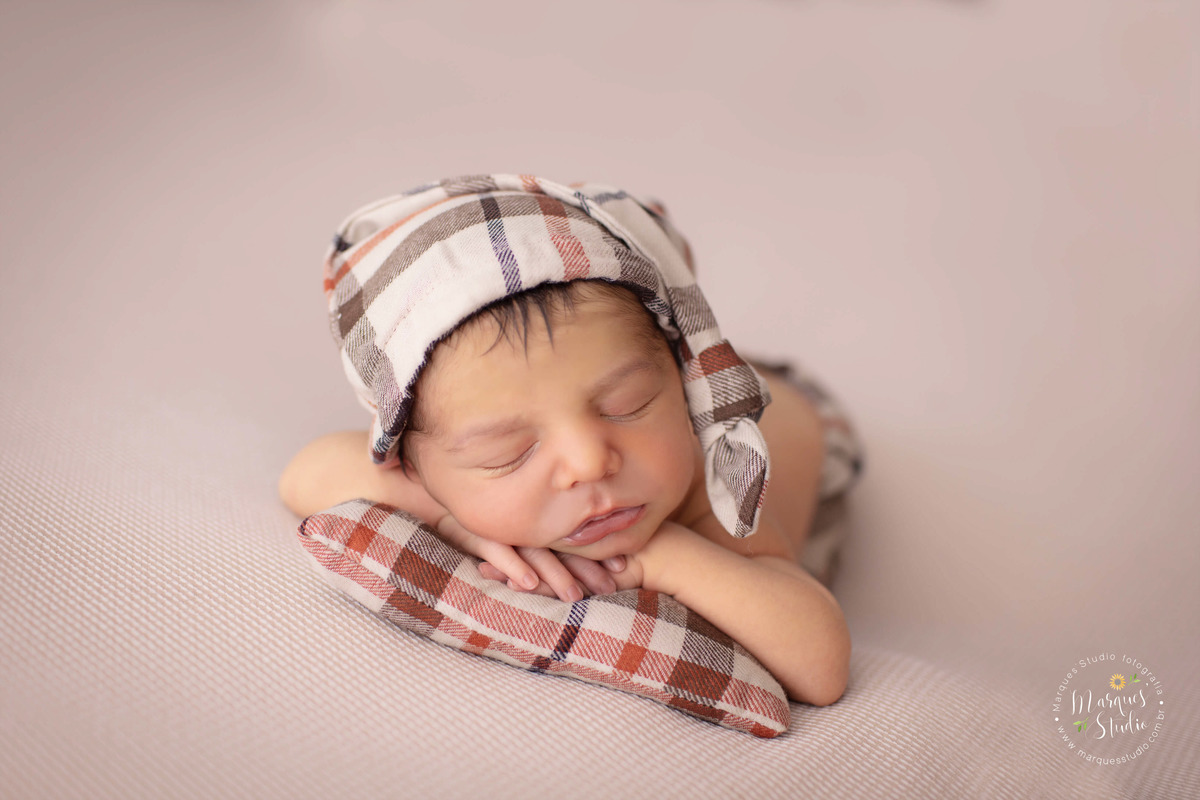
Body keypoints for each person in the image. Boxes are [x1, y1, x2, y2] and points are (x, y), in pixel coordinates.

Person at [279, 175, 861, 706]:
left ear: (684, 385)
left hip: (792, 417)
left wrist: (665, 556)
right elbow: (304, 474)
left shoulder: (713, 482)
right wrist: (453, 519)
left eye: (627, 407)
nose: (588, 462)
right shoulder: (430, 461)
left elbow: (820, 664)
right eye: (506, 453)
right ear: (412, 465)